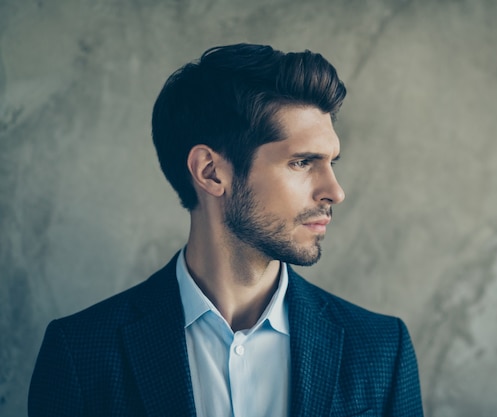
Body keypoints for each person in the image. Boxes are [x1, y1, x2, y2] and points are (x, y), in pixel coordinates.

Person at [29, 43, 423, 417]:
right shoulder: (82, 354)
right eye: (302, 162)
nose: (334, 191)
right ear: (211, 172)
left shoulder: (381, 350)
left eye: (332, 162)